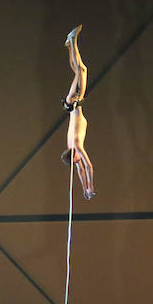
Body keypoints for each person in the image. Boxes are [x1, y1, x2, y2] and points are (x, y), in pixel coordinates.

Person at [61, 24, 95, 200]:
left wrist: (91, 186)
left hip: (74, 102)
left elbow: (88, 167)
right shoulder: (70, 148)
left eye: (75, 161)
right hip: (72, 105)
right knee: (78, 69)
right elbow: (80, 170)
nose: (78, 162)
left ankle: (72, 40)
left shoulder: (77, 146)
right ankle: (69, 43)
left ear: (73, 157)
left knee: (80, 71)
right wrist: (84, 189)